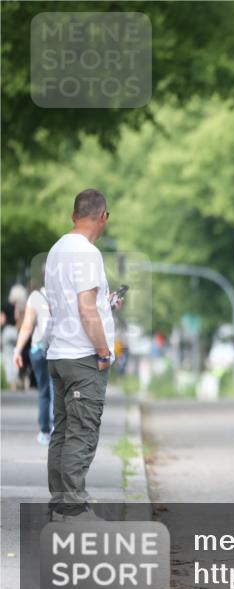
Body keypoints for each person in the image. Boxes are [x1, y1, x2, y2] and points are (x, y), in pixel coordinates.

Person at [45, 189, 125, 522]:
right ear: (103, 216)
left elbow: (64, 305)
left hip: (59, 353)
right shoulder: (88, 253)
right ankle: (74, 511)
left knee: (63, 432)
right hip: (82, 357)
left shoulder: (56, 250)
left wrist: (106, 306)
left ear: (73, 215)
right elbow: (85, 308)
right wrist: (103, 351)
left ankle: (60, 507)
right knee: (81, 433)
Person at [12, 283, 54, 444]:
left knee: (43, 391)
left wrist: (17, 351)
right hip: (58, 350)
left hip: (38, 349)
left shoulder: (36, 297)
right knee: (57, 390)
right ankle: (56, 428)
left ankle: (44, 431)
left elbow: (27, 327)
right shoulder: (66, 295)